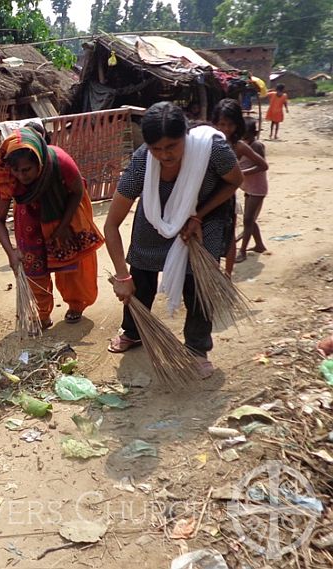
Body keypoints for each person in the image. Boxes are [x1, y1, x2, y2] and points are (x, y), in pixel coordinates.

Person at [104, 102, 244, 378]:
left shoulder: (212, 151)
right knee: (141, 276)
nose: (164, 155)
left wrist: (199, 215)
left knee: (197, 284)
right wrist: (122, 277)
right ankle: (133, 331)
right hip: (156, 219)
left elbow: (234, 181)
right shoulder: (143, 161)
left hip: (204, 219)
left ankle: (196, 348)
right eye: (157, 148)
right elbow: (110, 225)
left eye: (172, 146)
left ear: (186, 136)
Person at [0, 127, 104, 328]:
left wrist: (63, 227)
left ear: (40, 161)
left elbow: (77, 191)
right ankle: (42, 314)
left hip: (61, 216)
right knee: (34, 271)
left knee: (71, 269)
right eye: (16, 171)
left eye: (26, 170)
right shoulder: (6, 175)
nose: (20, 176)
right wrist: (11, 252)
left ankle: (76, 305)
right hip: (28, 224)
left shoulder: (60, 162)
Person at [211, 99, 268, 276]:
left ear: (238, 125)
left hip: (228, 196)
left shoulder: (239, 146)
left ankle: (228, 273)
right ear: (214, 124)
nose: (226, 129)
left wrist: (241, 174)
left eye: (230, 124)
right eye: (221, 124)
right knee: (212, 236)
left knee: (229, 236)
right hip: (210, 194)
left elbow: (263, 165)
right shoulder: (208, 143)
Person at [237, 117, 269, 262]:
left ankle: (242, 251)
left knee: (248, 219)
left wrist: (243, 173)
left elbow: (262, 166)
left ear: (253, 133)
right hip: (249, 187)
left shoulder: (256, 145)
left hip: (257, 188)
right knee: (250, 219)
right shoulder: (244, 144)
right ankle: (259, 245)